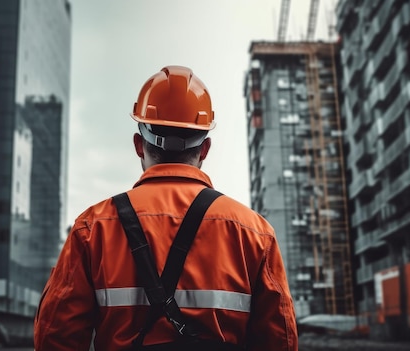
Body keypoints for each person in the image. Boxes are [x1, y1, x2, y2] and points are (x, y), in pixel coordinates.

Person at [34, 65, 298, 351]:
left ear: (138, 144)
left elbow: (55, 339)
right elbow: (280, 340)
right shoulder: (254, 234)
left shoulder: (93, 229)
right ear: (205, 148)